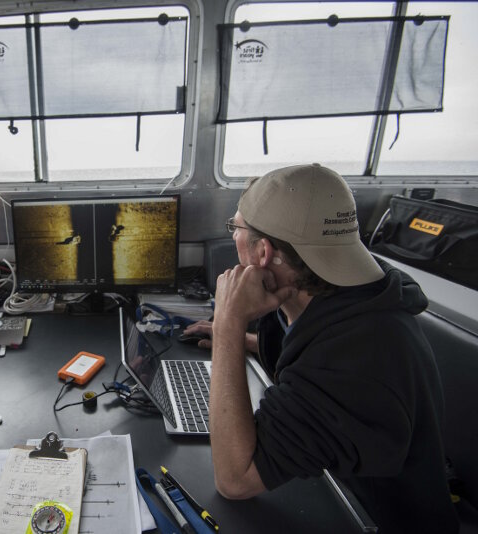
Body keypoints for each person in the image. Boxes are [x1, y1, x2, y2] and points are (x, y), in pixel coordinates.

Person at [184, 164, 458, 533]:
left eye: (236, 228)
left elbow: (235, 481)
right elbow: (306, 358)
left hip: (368, 518)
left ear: (262, 251)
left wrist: (230, 326)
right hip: (339, 489)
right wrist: (246, 342)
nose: (233, 236)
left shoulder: (352, 361)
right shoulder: (352, 297)